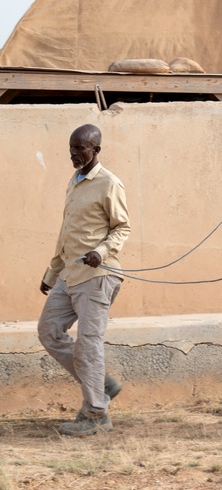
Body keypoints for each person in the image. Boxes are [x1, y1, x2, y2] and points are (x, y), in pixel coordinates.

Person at [38, 124, 130, 436]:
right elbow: (67, 232)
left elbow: (122, 228)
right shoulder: (74, 182)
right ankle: (101, 383)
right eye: (72, 149)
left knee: (89, 345)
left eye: (80, 149)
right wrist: (52, 273)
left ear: (96, 150)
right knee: (49, 332)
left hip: (97, 276)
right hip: (70, 274)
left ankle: (96, 415)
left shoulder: (109, 183)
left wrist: (101, 252)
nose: (74, 154)